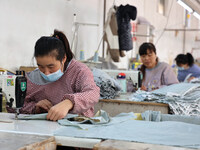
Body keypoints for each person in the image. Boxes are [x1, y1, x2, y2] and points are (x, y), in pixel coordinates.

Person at [8, 29, 100, 121]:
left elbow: (93, 93)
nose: (46, 72)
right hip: (45, 127)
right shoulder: (33, 79)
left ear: (63, 58)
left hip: (78, 127)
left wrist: (69, 103)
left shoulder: (78, 71)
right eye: (41, 66)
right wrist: (35, 107)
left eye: (51, 66)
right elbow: (15, 106)